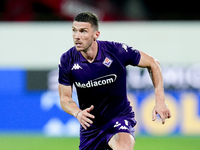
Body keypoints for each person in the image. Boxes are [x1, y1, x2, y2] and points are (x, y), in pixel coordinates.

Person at [58, 12, 171, 150]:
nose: (77, 36)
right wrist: (78, 113)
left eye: (83, 31)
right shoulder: (67, 60)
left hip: (119, 118)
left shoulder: (116, 51)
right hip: (91, 128)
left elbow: (153, 63)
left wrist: (160, 101)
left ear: (96, 35)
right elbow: (64, 98)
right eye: (74, 30)